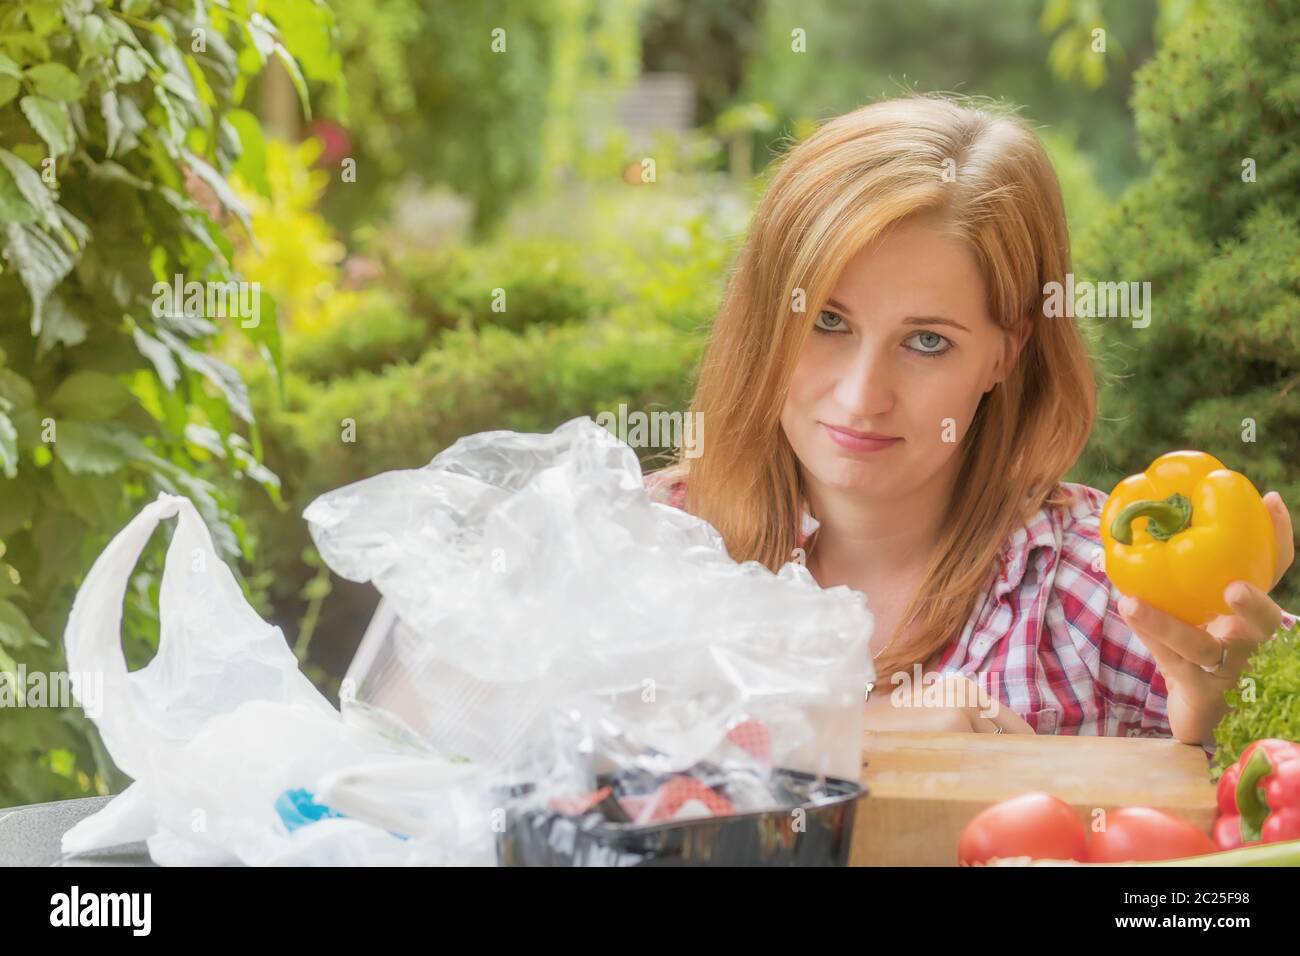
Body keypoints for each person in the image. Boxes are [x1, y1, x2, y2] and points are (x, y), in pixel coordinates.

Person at [645, 94, 1295, 751]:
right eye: (827, 322)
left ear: (1005, 353)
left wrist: (1250, 712)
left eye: (926, 341)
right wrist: (862, 735)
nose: (862, 396)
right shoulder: (650, 544)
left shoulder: (1100, 591)